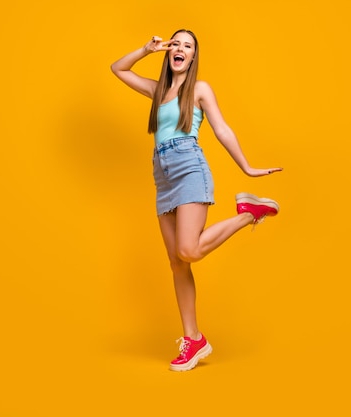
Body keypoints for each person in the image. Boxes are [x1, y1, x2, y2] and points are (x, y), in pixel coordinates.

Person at [110, 29, 282, 372]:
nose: (181, 49)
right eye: (177, 44)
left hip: (189, 166)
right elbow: (119, 69)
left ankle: (249, 213)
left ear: (192, 57)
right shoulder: (158, 91)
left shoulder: (199, 89)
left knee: (188, 250)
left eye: (188, 46)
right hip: (162, 174)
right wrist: (146, 48)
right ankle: (194, 340)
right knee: (178, 263)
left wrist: (246, 167)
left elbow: (222, 129)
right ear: (169, 51)